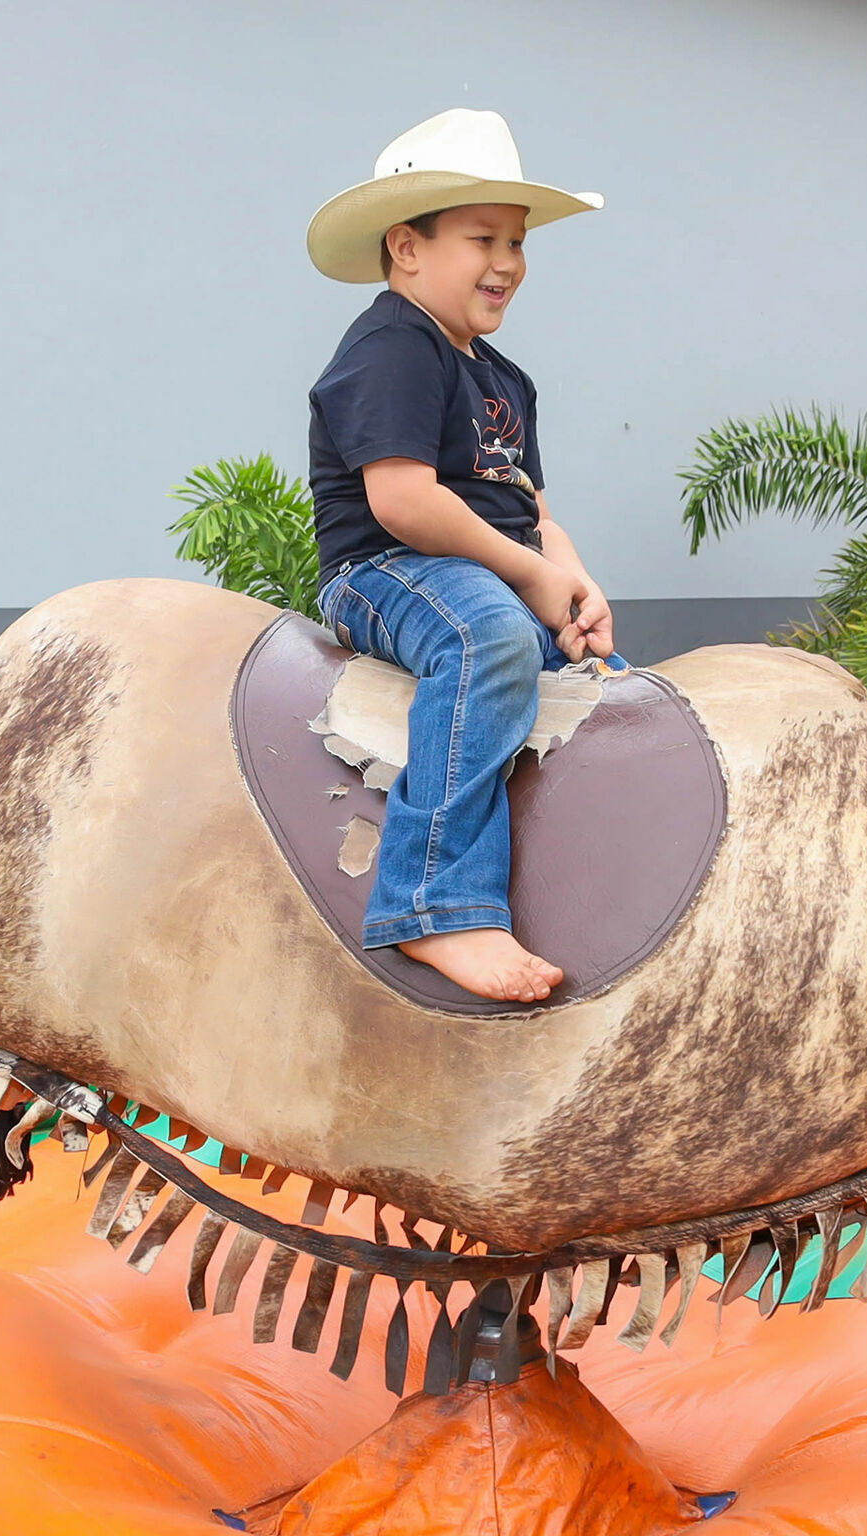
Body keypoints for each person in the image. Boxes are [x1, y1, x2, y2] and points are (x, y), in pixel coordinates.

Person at [305, 108, 622, 1004]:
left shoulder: (504, 378)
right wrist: (525, 575)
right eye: (484, 237)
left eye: (518, 241)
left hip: (489, 567)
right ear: (407, 247)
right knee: (487, 638)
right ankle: (434, 902)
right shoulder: (392, 345)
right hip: (390, 570)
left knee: (613, 684)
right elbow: (402, 500)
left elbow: (534, 514)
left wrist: (573, 582)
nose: (510, 261)